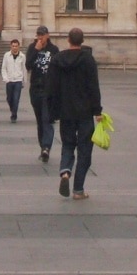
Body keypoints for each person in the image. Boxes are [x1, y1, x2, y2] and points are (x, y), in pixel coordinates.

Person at [47, 27, 102, 200]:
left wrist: (53, 111)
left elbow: (51, 88)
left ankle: (65, 172)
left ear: (68, 40)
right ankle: (78, 190)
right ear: (82, 41)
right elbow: (94, 87)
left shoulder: (57, 60)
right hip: (85, 112)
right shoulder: (88, 60)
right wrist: (97, 111)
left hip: (66, 112)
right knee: (85, 150)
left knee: (68, 145)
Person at [25, 26, 56, 162]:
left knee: (47, 119)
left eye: (42, 35)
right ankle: (43, 146)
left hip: (49, 90)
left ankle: (46, 147)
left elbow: (57, 69)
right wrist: (36, 50)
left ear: (47, 35)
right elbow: (28, 65)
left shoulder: (54, 50)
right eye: (38, 35)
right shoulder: (32, 48)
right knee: (40, 121)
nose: (40, 38)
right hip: (35, 89)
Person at [1, 38, 25, 122]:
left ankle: (14, 115)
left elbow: (24, 69)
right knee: (9, 98)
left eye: (16, 46)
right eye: (13, 46)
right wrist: (6, 79)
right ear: (10, 46)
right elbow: (3, 68)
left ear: (19, 47)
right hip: (9, 80)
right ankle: (13, 109)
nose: (14, 48)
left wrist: (23, 81)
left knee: (16, 98)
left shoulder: (22, 56)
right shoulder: (6, 55)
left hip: (18, 80)